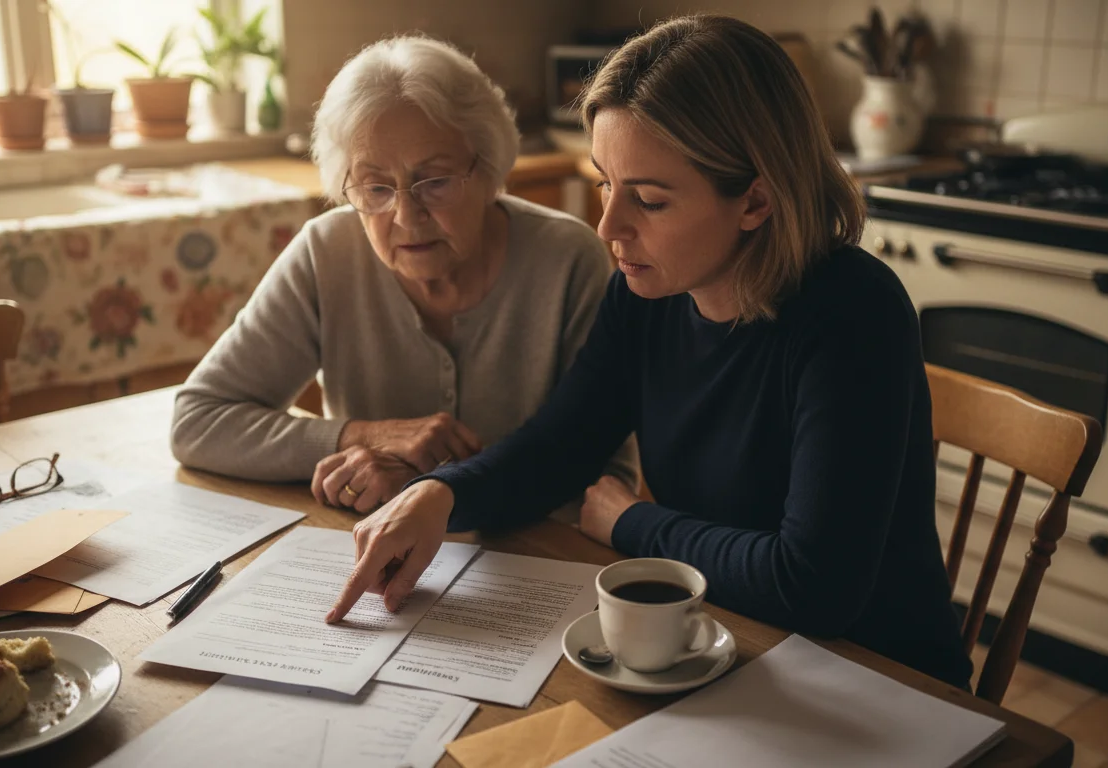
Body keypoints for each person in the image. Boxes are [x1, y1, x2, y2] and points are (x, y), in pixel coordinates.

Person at [326, 15, 973, 690]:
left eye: (650, 200)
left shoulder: (851, 315)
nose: (609, 226)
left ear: (755, 200)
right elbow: (559, 447)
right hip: (727, 648)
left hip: (880, 685)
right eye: (606, 182)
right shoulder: (648, 292)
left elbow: (812, 586)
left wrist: (635, 524)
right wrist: (436, 496)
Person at [171, 35, 637, 512]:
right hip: (374, 556)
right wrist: (365, 437)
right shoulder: (326, 252)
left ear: (488, 168)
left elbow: (608, 476)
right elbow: (197, 422)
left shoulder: (566, 260)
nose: (406, 216)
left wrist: (436, 490)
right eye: (375, 187)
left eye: (434, 182)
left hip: (532, 564)